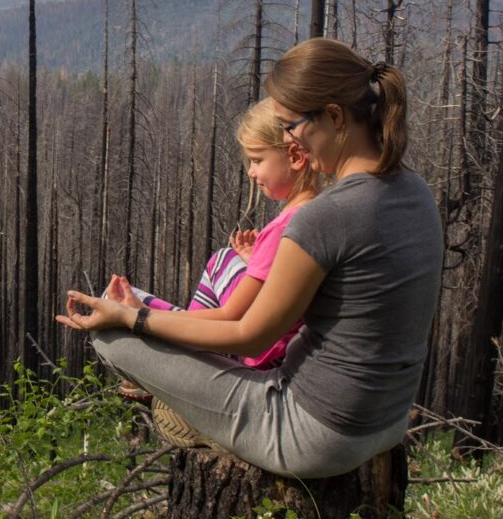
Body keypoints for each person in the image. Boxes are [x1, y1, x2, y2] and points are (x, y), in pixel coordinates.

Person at [57, 38, 443, 479]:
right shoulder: (414, 191)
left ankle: (198, 419)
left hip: (310, 434)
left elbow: (248, 335)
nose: (287, 140)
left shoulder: (326, 216)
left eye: (290, 125)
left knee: (109, 340)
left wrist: (132, 319)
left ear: (334, 116)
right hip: (386, 422)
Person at [115, 98, 321, 402]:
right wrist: (256, 262)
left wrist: (141, 316)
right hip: (281, 348)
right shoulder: (316, 211)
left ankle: (184, 356)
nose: (251, 172)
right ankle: (187, 340)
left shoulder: (284, 229)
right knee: (225, 259)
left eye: (257, 160)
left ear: (294, 157)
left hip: (261, 355)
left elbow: (231, 315)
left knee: (115, 300)